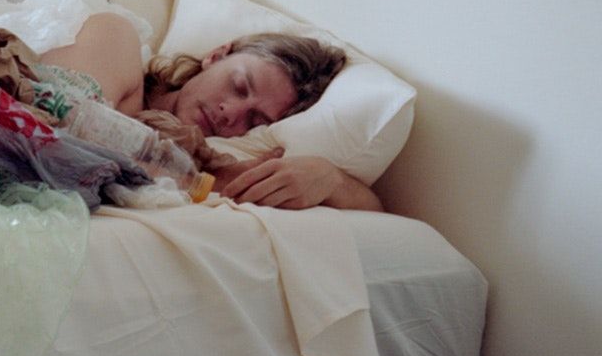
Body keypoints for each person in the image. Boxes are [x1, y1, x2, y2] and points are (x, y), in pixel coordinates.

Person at [39, 13, 381, 211]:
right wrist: (204, 180)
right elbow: (55, 120)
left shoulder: (201, 160)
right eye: (239, 86)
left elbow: (378, 216)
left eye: (254, 120)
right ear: (216, 56)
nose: (230, 113)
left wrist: (332, 179)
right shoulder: (116, 37)